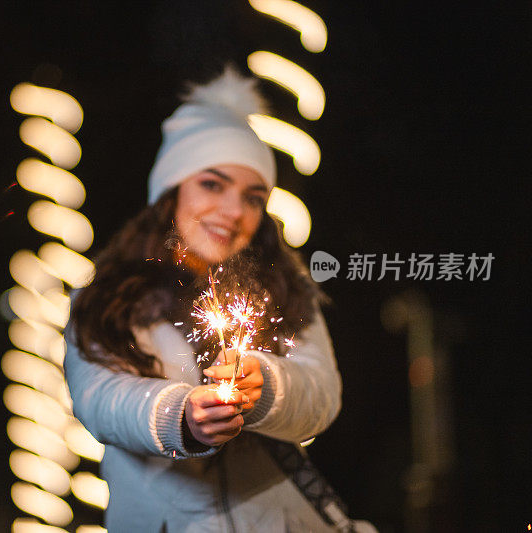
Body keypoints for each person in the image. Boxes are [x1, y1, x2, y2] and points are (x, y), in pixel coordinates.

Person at [64, 66, 376, 532]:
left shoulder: (285, 291)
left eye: (253, 197)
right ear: (171, 191)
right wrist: (181, 416)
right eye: (212, 184)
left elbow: (321, 397)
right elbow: (100, 401)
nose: (233, 212)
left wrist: (267, 388)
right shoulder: (108, 297)